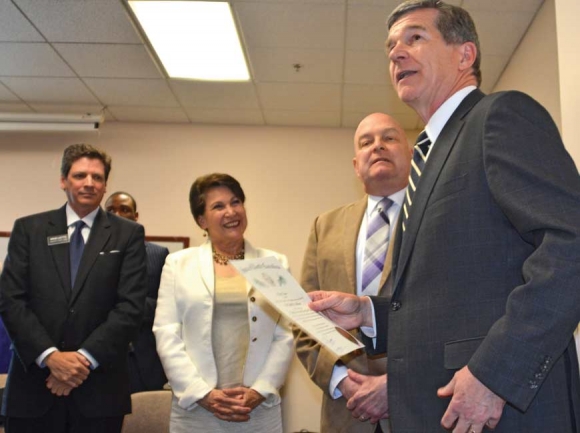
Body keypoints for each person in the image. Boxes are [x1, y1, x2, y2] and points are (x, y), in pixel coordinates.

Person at [308, 1, 580, 432]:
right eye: (391, 46)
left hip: (503, 411)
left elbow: (572, 246)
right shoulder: (428, 158)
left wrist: (495, 374)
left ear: (464, 55)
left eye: (415, 38)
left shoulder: (498, 117)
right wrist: (368, 313)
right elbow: (449, 299)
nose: (396, 53)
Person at [0, 144, 147, 433]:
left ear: (105, 186)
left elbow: (130, 308)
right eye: (80, 175)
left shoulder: (128, 235)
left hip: (99, 390)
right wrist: (50, 357)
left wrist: (80, 362)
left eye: (98, 177)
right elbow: (11, 300)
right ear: (63, 180)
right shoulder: (29, 230)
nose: (89, 183)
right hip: (33, 387)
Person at [294, 113, 411, 433]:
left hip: (417, 407)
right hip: (347, 410)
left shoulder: (434, 220)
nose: (378, 147)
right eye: (366, 142)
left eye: (389, 138)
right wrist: (341, 380)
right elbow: (304, 319)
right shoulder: (324, 226)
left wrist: (397, 384)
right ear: (356, 164)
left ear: (411, 154)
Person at [153, 173, 293, 433]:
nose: (231, 211)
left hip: (257, 409)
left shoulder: (274, 264)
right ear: (202, 220)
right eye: (218, 206)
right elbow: (166, 333)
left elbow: (285, 334)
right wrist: (202, 393)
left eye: (236, 202)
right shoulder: (178, 264)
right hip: (196, 408)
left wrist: (260, 390)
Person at [104, 191, 169, 393]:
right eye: (111, 210)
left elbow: (165, 305)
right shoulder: (91, 255)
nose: (118, 214)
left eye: (125, 209)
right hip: (104, 357)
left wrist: (125, 307)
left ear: (136, 216)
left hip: (145, 359)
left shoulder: (158, 254)